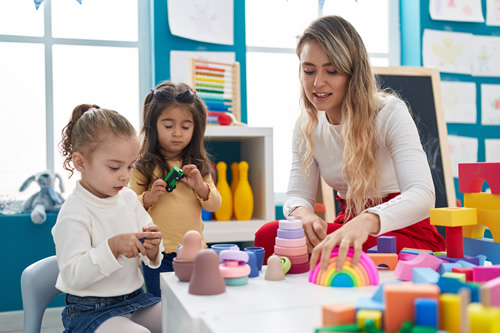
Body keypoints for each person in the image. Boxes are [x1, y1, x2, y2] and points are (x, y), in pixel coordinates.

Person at [254, 15, 445, 273]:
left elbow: (423, 195)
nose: (317, 83)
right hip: (350, 227)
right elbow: (297, 194)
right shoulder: (306, 125)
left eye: (331, 71)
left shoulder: (389, 113)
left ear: (352, 73)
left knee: (283, 240)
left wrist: (367, 220)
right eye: (309, 70)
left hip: (401, 234)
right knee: (270, 236)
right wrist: (302, 213)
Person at [53, 104, 164, 333]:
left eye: (130, 166)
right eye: (114, 167)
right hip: (90, 311)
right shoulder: (74, 211)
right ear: (81, 163)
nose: (125, 175)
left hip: (134, 300)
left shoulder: (129, 198)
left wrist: (152, 248)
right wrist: (112, 247)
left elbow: (149, 242)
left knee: (181, 318)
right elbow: (72, 276)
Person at [129, 81, 222, 297]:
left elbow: (215, 203)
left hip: (195, 252)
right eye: (168, 126)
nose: (177, 133)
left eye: (186, 127)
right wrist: (150, 197)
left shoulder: (199, 166)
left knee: (197, 300)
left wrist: (200, 186)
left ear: (195, 128)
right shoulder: (144, 165)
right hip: (157, 253)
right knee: (160, 305)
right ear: (153, 125)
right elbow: (128, 203)